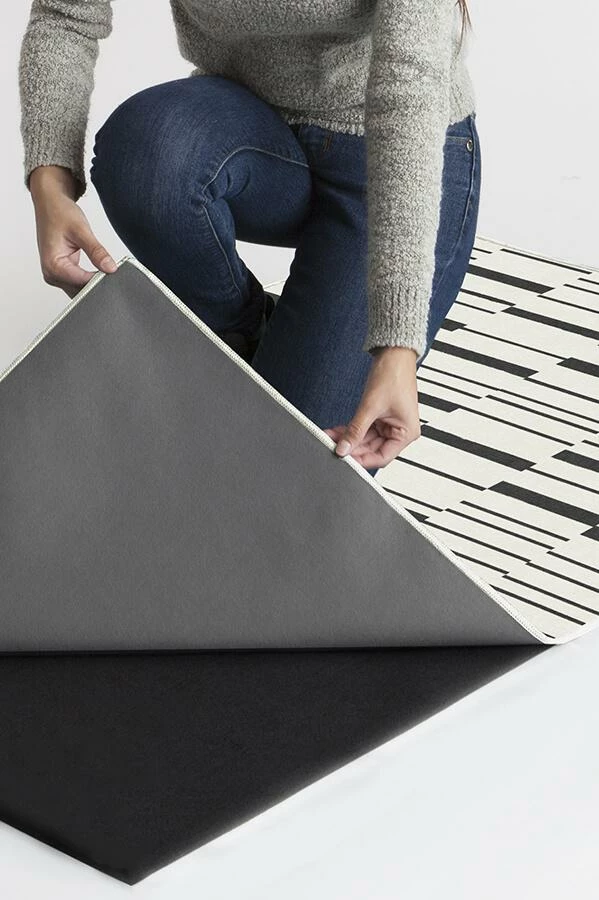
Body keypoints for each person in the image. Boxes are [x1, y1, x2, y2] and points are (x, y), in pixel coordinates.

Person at [18, 0, 481, 479]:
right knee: (147, 154)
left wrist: (397, 344)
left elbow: (408, 82)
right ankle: (249, 331)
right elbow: (66, 14)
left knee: (284, 472)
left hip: (399, 155)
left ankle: (294, 359)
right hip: (255, 130)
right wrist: (49, 187)